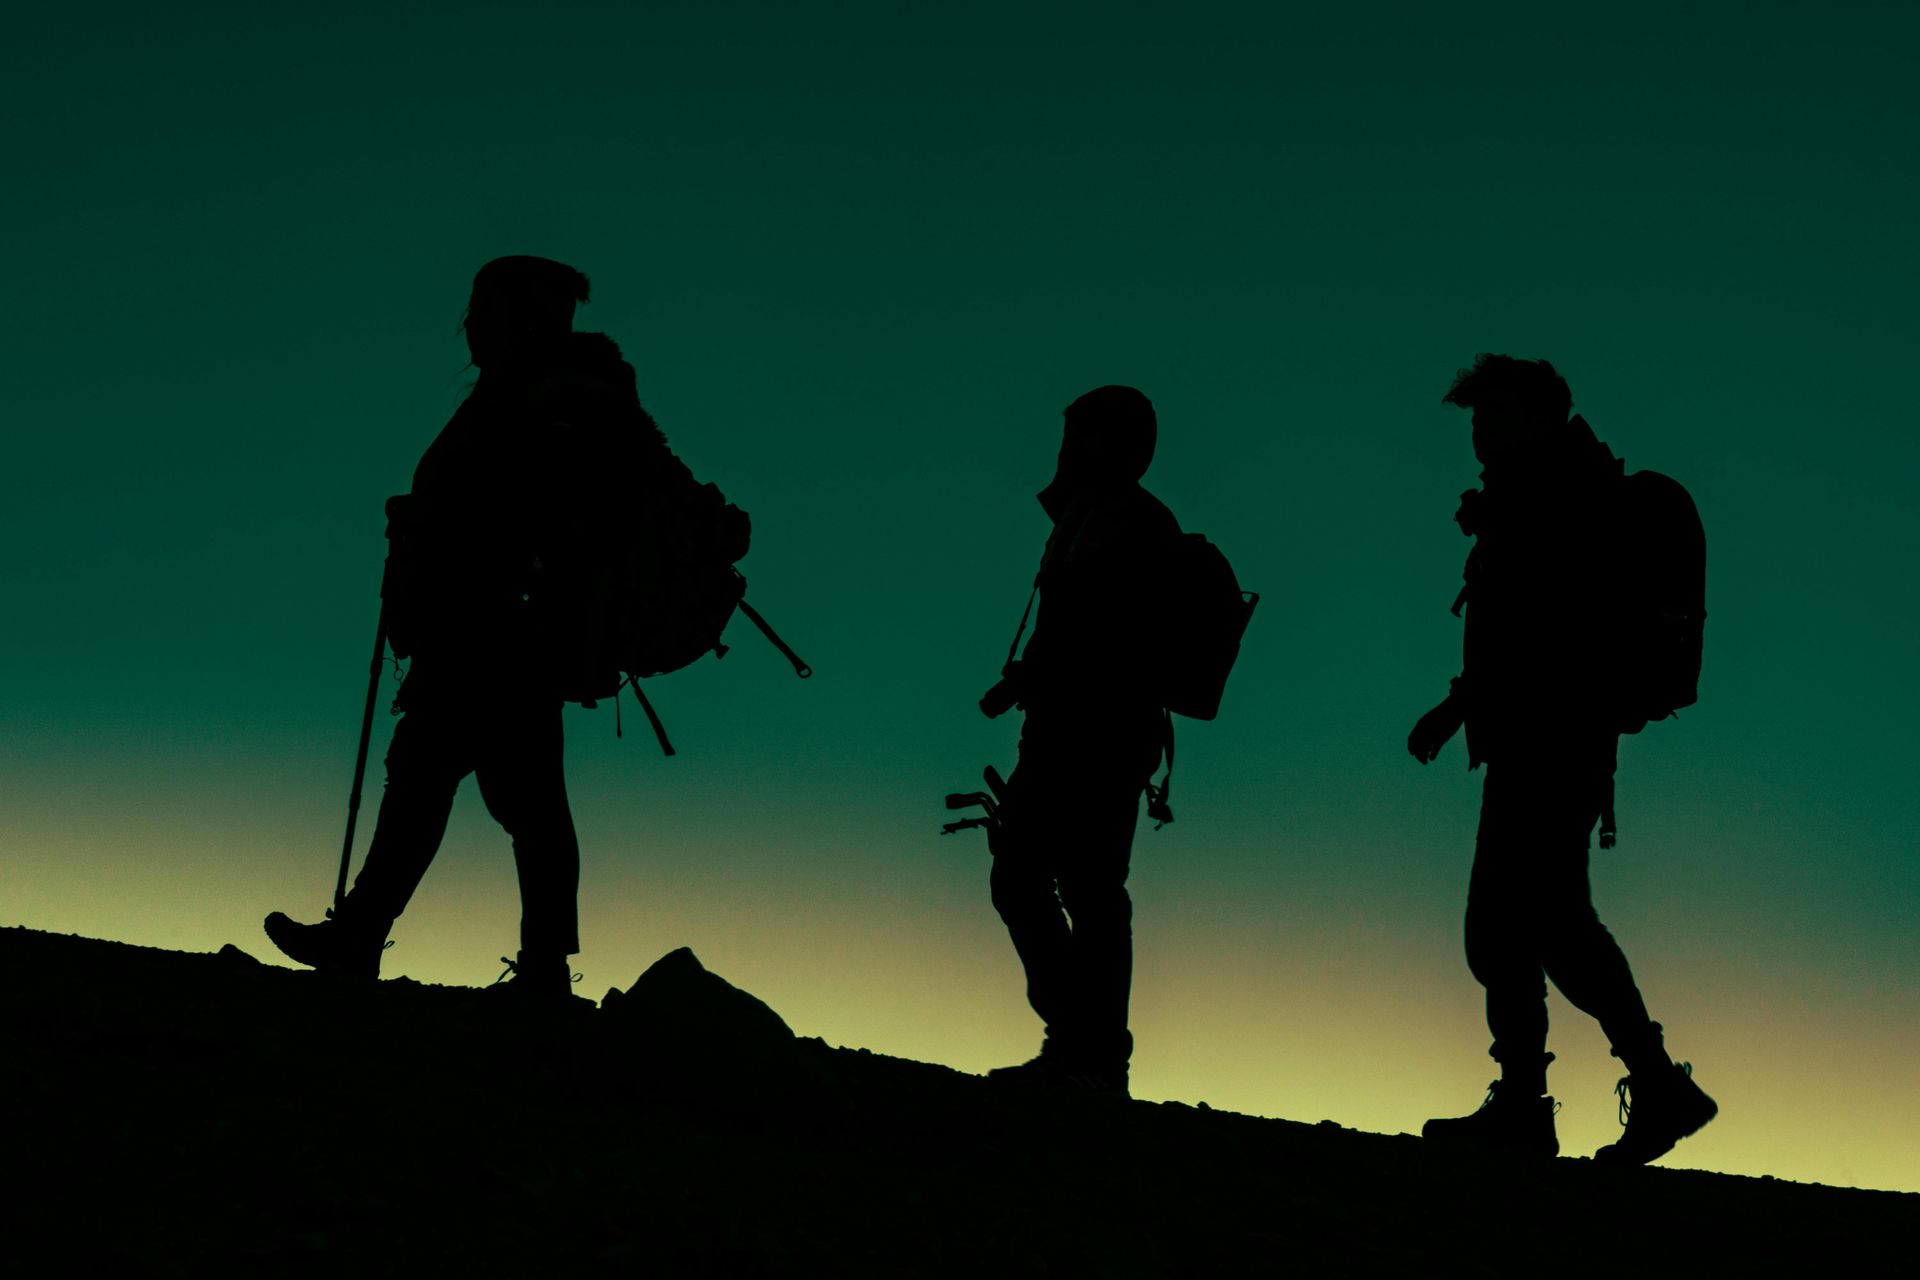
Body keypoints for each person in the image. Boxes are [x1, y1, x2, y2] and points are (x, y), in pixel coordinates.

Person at [265, 255, 665, 999]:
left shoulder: (548, 402)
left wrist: (434, 529)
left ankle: (393, 943)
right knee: (482, 789)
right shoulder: (522, 395)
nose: (469, 324)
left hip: (501, 631)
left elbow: (527, 515)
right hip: (495, 630)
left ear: (521, 317)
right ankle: (511, 963)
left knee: (474, 788)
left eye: (483, 309)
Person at [1407, 354, 1717, 1164]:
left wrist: (1475, 703)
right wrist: (1460, 706)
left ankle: (1592, 1096)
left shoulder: (1565, 501)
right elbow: (1518, 633)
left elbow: (1547, 634)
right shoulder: (1536, 499)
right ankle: (1590, 1096)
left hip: (1556, 743)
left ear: (1542, 418)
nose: (1480, 432)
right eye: (1477, 419)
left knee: (1535, 925)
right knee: (1529, 926)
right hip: (1533, 741)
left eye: (1494, 416)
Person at [977, 385, 1181, 1096]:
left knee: (1087, 890)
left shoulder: (1137, 524)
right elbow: (1069, 628)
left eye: (1080, 434)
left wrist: (1053, 678)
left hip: (1102, 737)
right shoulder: (1080, 517)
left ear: (1119, 445)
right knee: (1032, 880)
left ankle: (1090, 1055)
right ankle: (1082, 1045)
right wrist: (1027, 679)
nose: (1065, 446)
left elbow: (1112, 638)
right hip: (1060, 730)